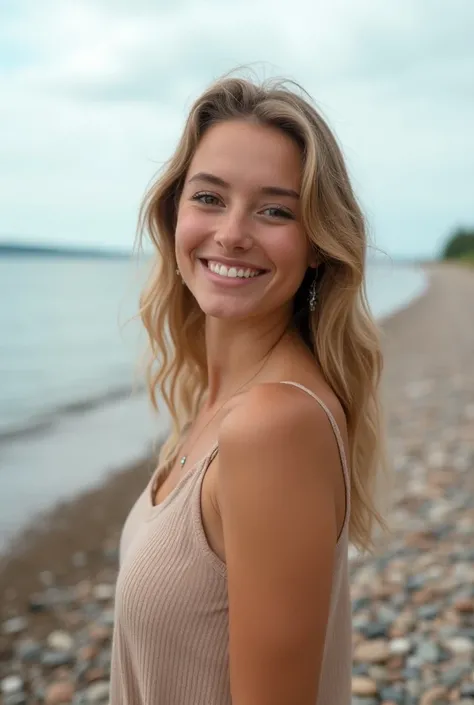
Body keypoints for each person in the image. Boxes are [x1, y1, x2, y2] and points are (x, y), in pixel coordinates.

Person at [109, 73, 387, 705]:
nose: (233, 233)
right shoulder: (217, 404)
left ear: (317, 242)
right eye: (209, 197)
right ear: (174, 211)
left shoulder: (273, 425)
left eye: (274, 210)